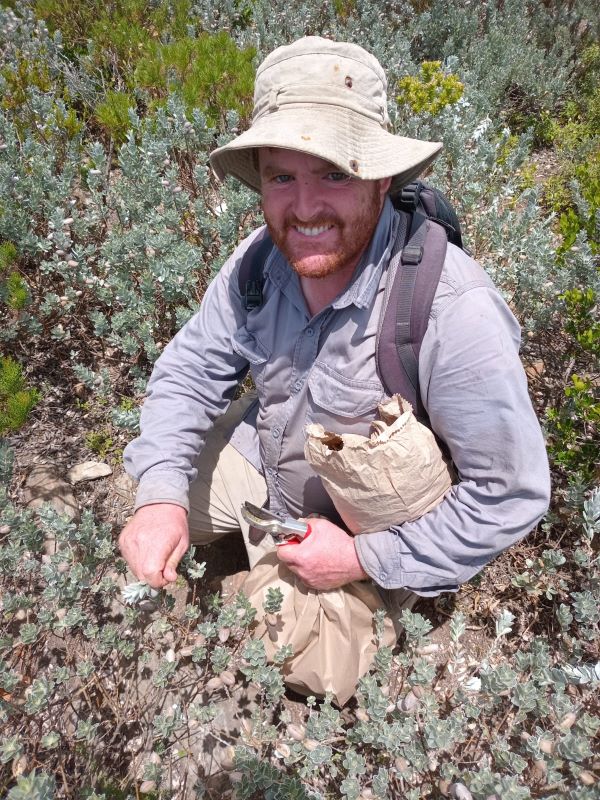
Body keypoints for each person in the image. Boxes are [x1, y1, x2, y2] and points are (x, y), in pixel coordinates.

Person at [119, 37, 550, 606]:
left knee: (283, 644)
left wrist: (356, 558)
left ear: (379, 179)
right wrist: (160, 500)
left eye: (334, 175)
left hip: (376, 528)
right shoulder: (258, 261)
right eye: (281, 178)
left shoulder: (451, 307)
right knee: (149, 496)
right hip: (267, 467)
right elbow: (191, 371)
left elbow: (508, 494)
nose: (304, 207)